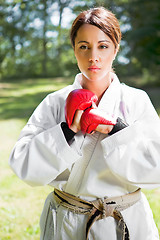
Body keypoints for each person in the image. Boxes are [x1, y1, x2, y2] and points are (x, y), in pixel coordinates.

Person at [9, 6, 160, 240]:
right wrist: (67, 131)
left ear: (116, 49)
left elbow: (156, 169)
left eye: (103, 46)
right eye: (83, 47)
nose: (93, 57)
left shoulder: (136, 101)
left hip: (126, 223)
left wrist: (114, 129)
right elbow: (23, 165)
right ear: (74, 50)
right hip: (68, 224)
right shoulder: (55, 102)